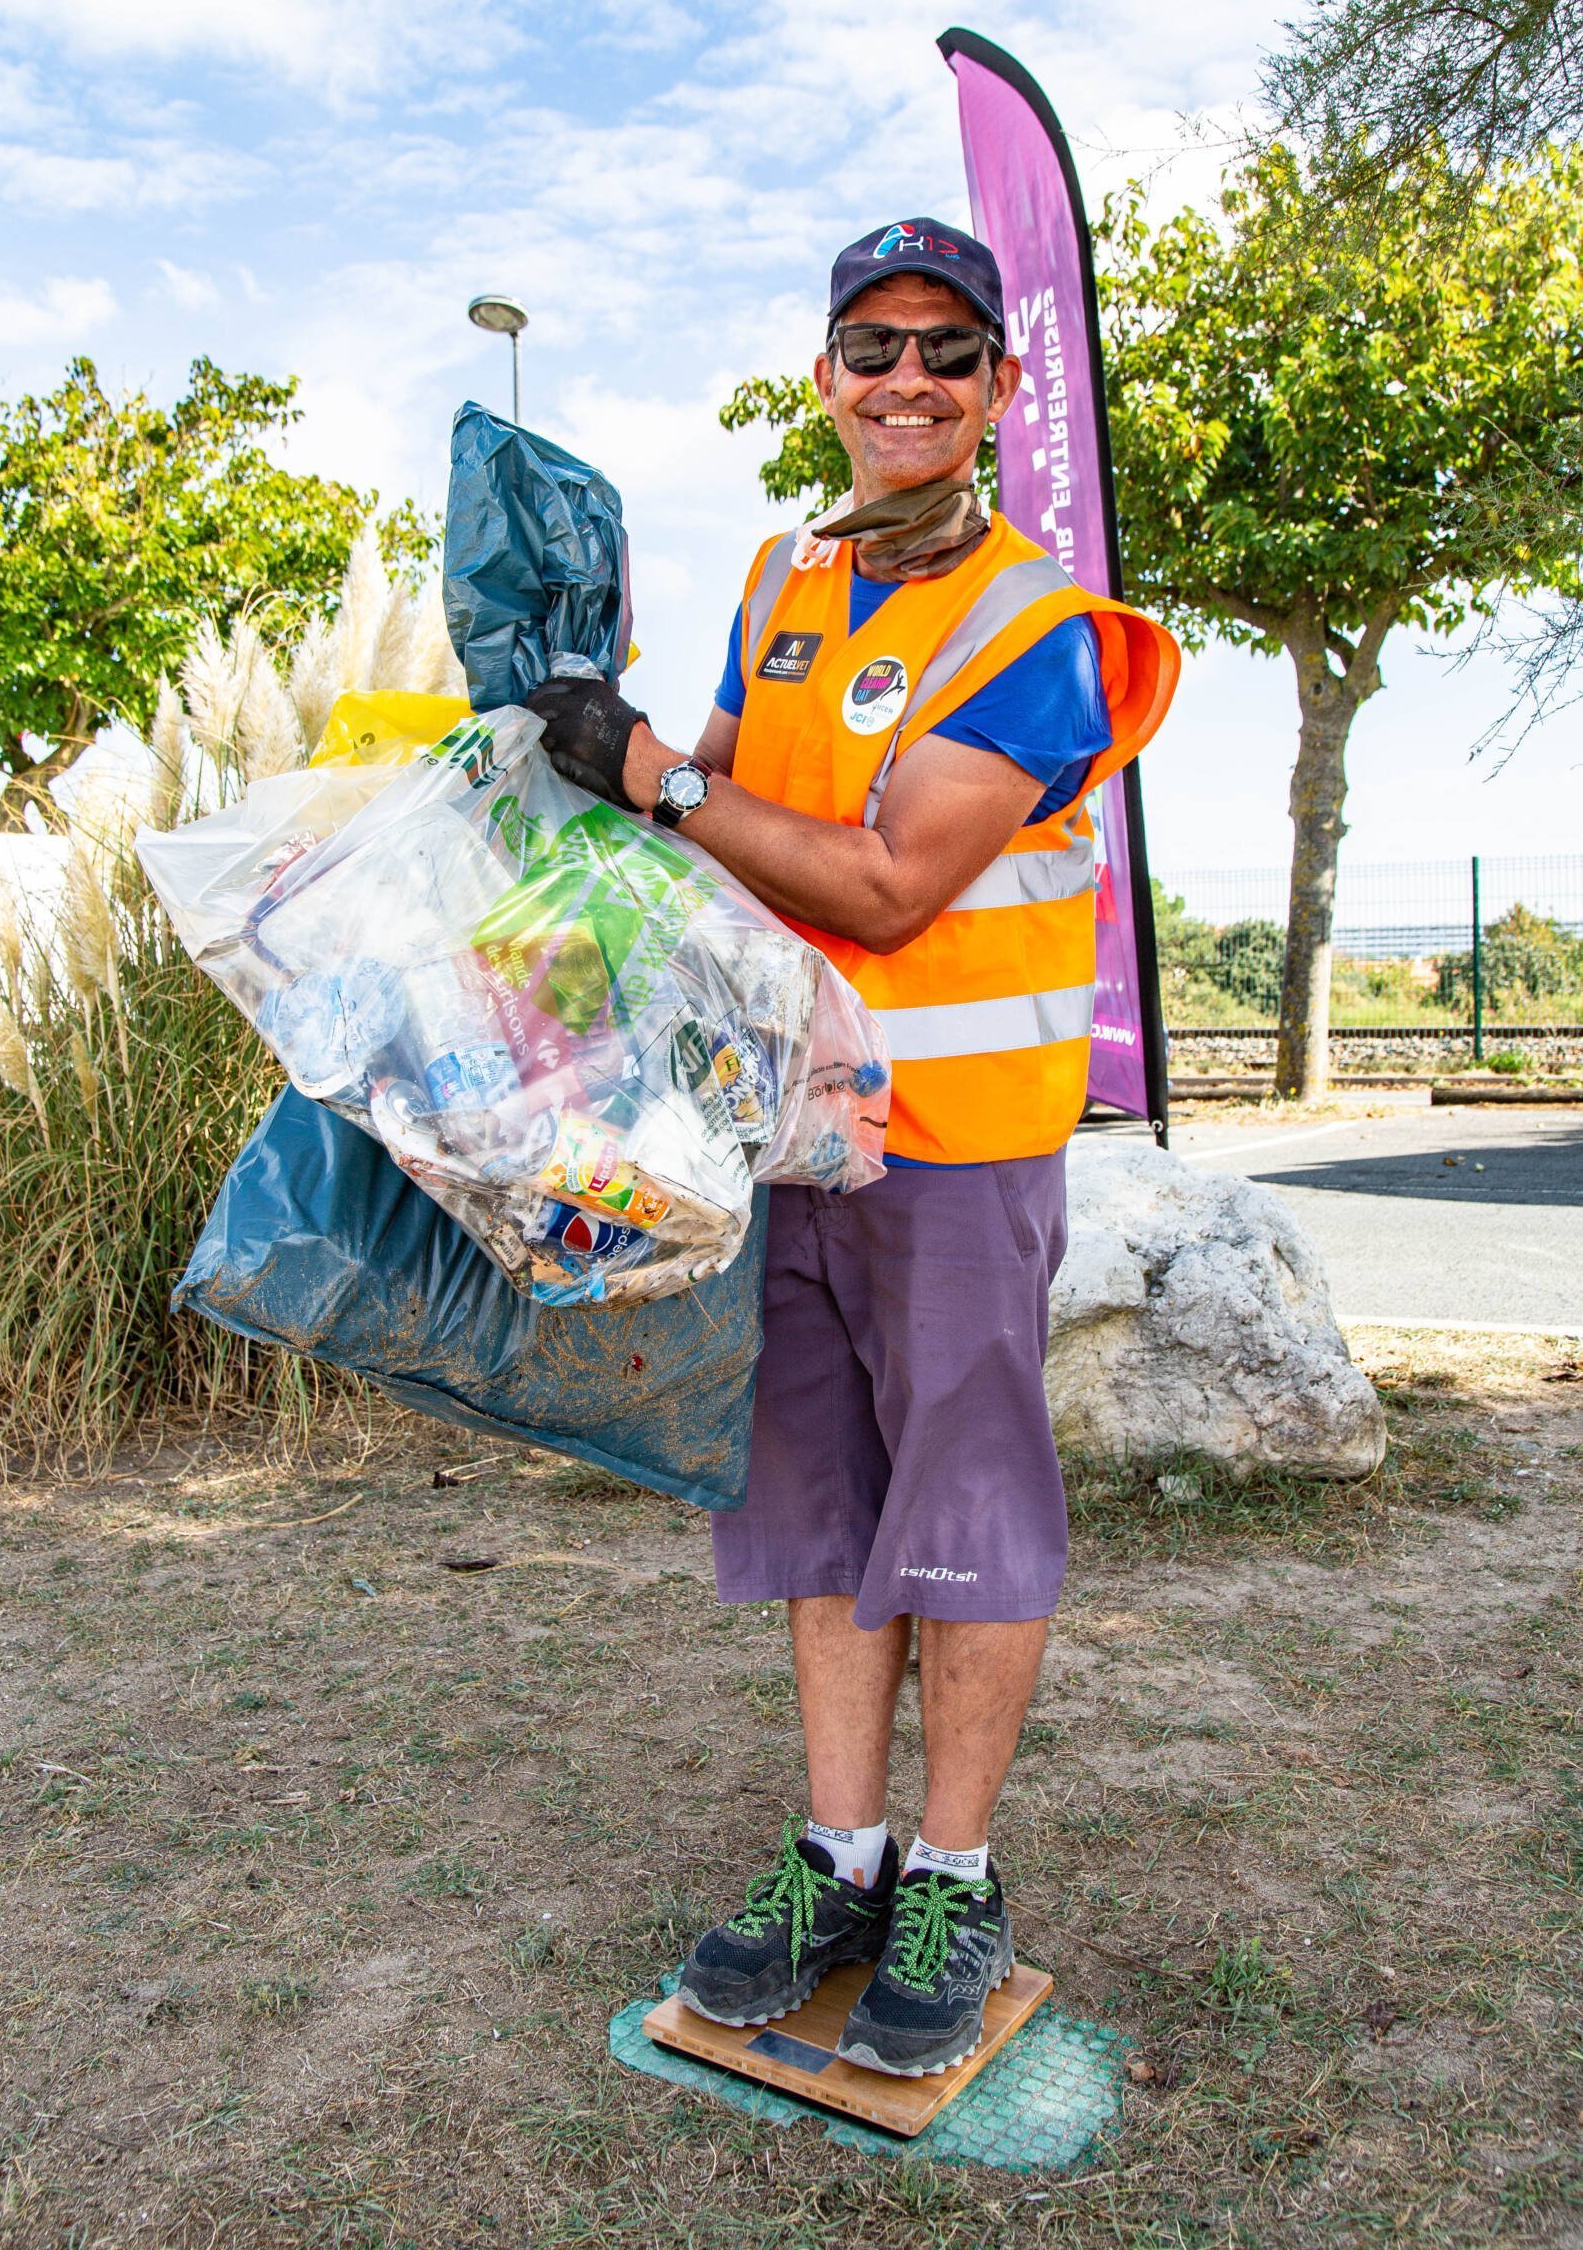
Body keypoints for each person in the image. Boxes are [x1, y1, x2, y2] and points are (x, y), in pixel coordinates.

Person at [528, 218, 1178, 2078]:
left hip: (957, 1152)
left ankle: (953, 1876)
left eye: (946, 352)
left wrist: (655, 774)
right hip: (783, 1142)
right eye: (872, 347)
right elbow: (713, 821)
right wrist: (553, 799)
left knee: (961, 1517)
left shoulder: (1043, 631)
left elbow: (889, 886)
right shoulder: (784, 579)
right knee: (818, 1506)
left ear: (1000, 387)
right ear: (824, 377)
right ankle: (840, 1858)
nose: (907, 380)